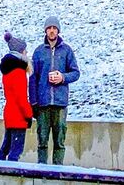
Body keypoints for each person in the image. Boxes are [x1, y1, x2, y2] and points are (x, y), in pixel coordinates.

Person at [26, 16, 80, 165]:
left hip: (60, 104)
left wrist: (62, 77)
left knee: (59, 142)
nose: (51, 31)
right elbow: (32, 79)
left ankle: (58, 172)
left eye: (54, 28)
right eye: (49, 28)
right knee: (42, 142)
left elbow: (76, 73)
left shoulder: (67, 50)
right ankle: (42, 173)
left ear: (58, 31)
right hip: (43, 105)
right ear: (45, 31)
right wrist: (34, 102)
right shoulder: (38, 52)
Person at [0, 32, 33, 161]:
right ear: (20, 52)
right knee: (15, 151)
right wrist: (28, 115)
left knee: (5, 148)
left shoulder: (7, 70)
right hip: (18, 117)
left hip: (9, 114)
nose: (27, 53)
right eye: (25, 50)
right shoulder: (19, 72)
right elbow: (22, 99)